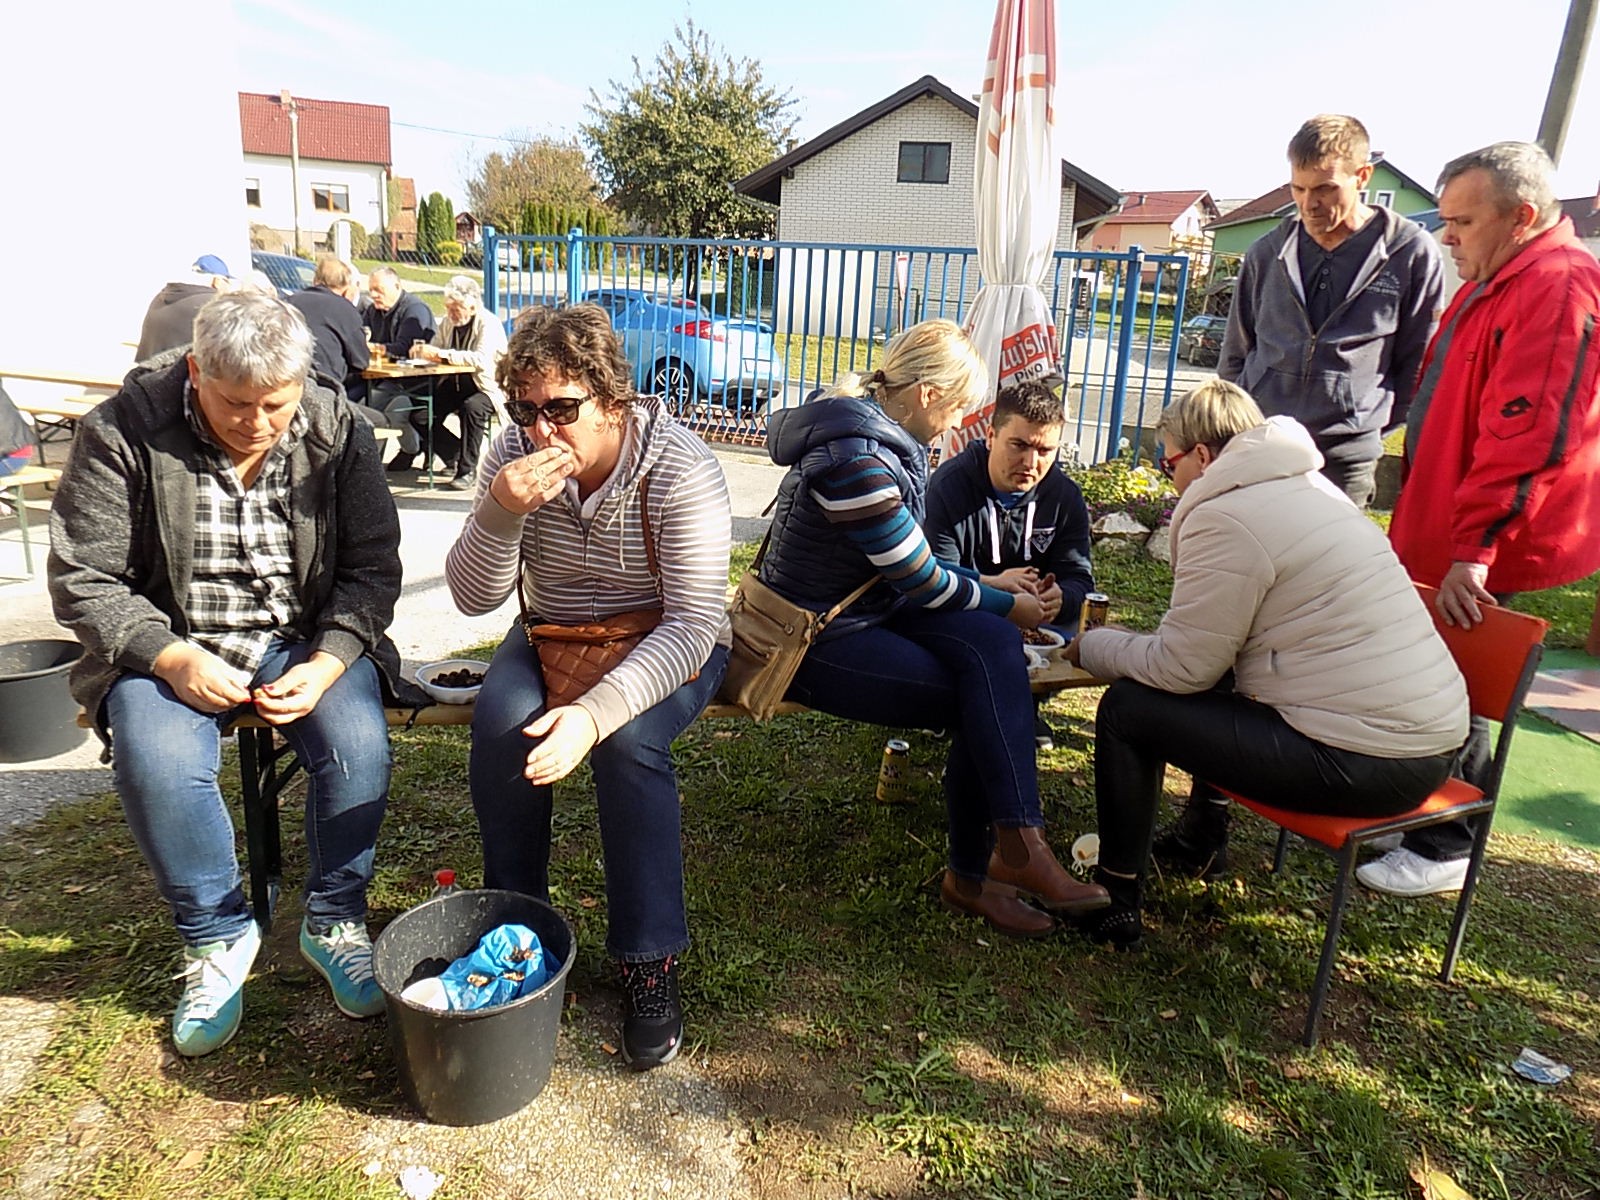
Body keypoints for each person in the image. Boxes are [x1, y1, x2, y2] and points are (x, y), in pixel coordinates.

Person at [47, 291, 416, 1057]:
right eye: (233, 402)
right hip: (171, 639)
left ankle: (334, 919)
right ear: (194, 370)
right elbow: (83, 576)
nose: (255, 422)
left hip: (300, 637)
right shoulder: (125, 428)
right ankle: (215, 938)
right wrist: (170, 656)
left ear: (303, 381)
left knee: (359, 748)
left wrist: (327, 662)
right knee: (159, 760)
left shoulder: (335, 426)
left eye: (274, 405)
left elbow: (372, 567)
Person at [1064, 381, 1469, 946]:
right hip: (1427, 752)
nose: (1166, 474)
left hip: (1361, 760)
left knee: (1130, 709)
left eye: (1168, 461)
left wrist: (1095, 646)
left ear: (1204, 457)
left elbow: (1184, 669)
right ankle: (1200, 837)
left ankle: (1115, 897)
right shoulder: (1309, 488)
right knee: (1217, 680)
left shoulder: (1226, 516)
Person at [443, 303, 731, 1071]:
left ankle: (650, 962)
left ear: (614, 401)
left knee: (629, 746)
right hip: (557, 633)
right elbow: (473, 599)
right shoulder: (509, 455)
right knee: (505, 725)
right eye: (525, 409)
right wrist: (502, 513)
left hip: (665, 635)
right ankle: (519, 931)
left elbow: (696, 622)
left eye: (562, 410)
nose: (540, 431)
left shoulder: (680, 467)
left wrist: (592, 717)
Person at [755, 319, 1109, 940]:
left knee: (993, 653)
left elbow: (908, 565)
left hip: (871, 609)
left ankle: (1013, 848)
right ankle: (984, 870)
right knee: (988, 693)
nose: (957, 424)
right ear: (925, 396)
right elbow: (920, 579)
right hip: (817, 638)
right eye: (956, 409)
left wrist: (989, 593)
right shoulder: (856, 459)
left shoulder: (878, 437)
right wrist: (1006, 604)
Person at [1359, 141, 1600, 898]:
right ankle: (1418, 806)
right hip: (1444, 522)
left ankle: (1447, 843)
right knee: (1429, 669)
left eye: (1463, 220)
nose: (1447, 236)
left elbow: (1529, 430)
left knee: (1464, 679)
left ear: (1522, 216)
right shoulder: (1497, 277)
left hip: (1485, 541)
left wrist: (1476, 547)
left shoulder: (1558, 289)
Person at [1218, 115, 1443, 506]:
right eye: (1298, 188)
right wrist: (1244, 425)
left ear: (1363, 176)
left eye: (1325, 188)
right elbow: (1236, 352)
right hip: (1261, 444)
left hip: (1346, 460)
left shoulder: (1409, 253)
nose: (1309, 204)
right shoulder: (1267, 252)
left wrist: (1361, 426)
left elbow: (1419, 363)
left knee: (1330, 566)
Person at [923, 377, 1095, 749]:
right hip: (969, 609)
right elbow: (932, 577)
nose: (1031, 462)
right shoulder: (949, 486)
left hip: (1039, 625)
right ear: (990, 435)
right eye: (1019, 445)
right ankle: (951, 707)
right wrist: (993, 583)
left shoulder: (1065, 496)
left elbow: (1080, 578)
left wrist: (1059, 596)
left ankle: (1026, 708)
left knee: (1069, 628)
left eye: (1045, 450)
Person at [393, 274, 507, 490]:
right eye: (448, 308)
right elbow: (435, 348)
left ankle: (467, 470)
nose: (451, 314)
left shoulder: (488, 324)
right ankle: (455, 454)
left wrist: (439, 354)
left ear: (472, 307)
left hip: (485, 386)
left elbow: (480, 360)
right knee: (420, 414)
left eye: (456, 309)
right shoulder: (448, 323)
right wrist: (422, 353)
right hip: (453, 382)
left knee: (472, 407)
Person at [366, 267, 438, 469]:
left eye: (379, 290)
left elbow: (403, 348)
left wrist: (374, 348)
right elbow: (360, 337)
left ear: (396, 286)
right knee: (355, 398)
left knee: (371, 408)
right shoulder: (373, 311)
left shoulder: (415, 309)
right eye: (371, 290)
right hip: (383, 377)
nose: (373, 295)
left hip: (417, 380)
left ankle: (371, 466)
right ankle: (407, 450)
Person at [285, 256, 370, 402]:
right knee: (378, 417)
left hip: (289, 384)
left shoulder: (288, 303)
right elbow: (361, 361)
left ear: (315, 281)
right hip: (327, 389)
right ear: (346, 286)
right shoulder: (345, 309)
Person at [135, 255, 236, 361]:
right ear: (217, 281)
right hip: (179, 375)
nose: (229, 287)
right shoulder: (213, 304)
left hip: (145, 372)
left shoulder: (162, 296)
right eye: (227, 281)